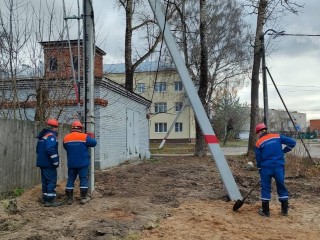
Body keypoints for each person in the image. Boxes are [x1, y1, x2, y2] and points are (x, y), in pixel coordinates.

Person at [255, 123, 296, 217]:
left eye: (257, 133)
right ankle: (284, 211)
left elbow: (258, 158)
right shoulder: (277, 136)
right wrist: (283, 151)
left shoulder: (259, 143)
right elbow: (292, 142)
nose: (257, 135)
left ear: (260, 132)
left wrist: (259, 168)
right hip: (279, 166)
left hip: (266, 168)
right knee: (281, 186)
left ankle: (266, 211)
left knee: (265, 187)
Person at [63, 120, 97, 205]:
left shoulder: (66, 137)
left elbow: (66, 147)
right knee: (83, 179)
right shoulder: (84, 137)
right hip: (82, 163)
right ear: (80, 128)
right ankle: (83, 198)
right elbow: (94, 143)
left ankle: (70, 199)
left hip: (71, 163)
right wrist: (90, 136)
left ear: (72, 128)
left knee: (70, 179)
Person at [36, 118, 62, 207]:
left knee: (45, 181)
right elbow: (50, 149)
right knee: (51, 180)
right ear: (53, 127)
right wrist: (55, 161)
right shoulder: (51, 136)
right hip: (48, 163)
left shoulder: (42, 136)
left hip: (42, 162)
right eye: (56, 127)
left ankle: (45, 198)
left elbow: (37, 150)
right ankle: (50, 201)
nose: (57, 129)